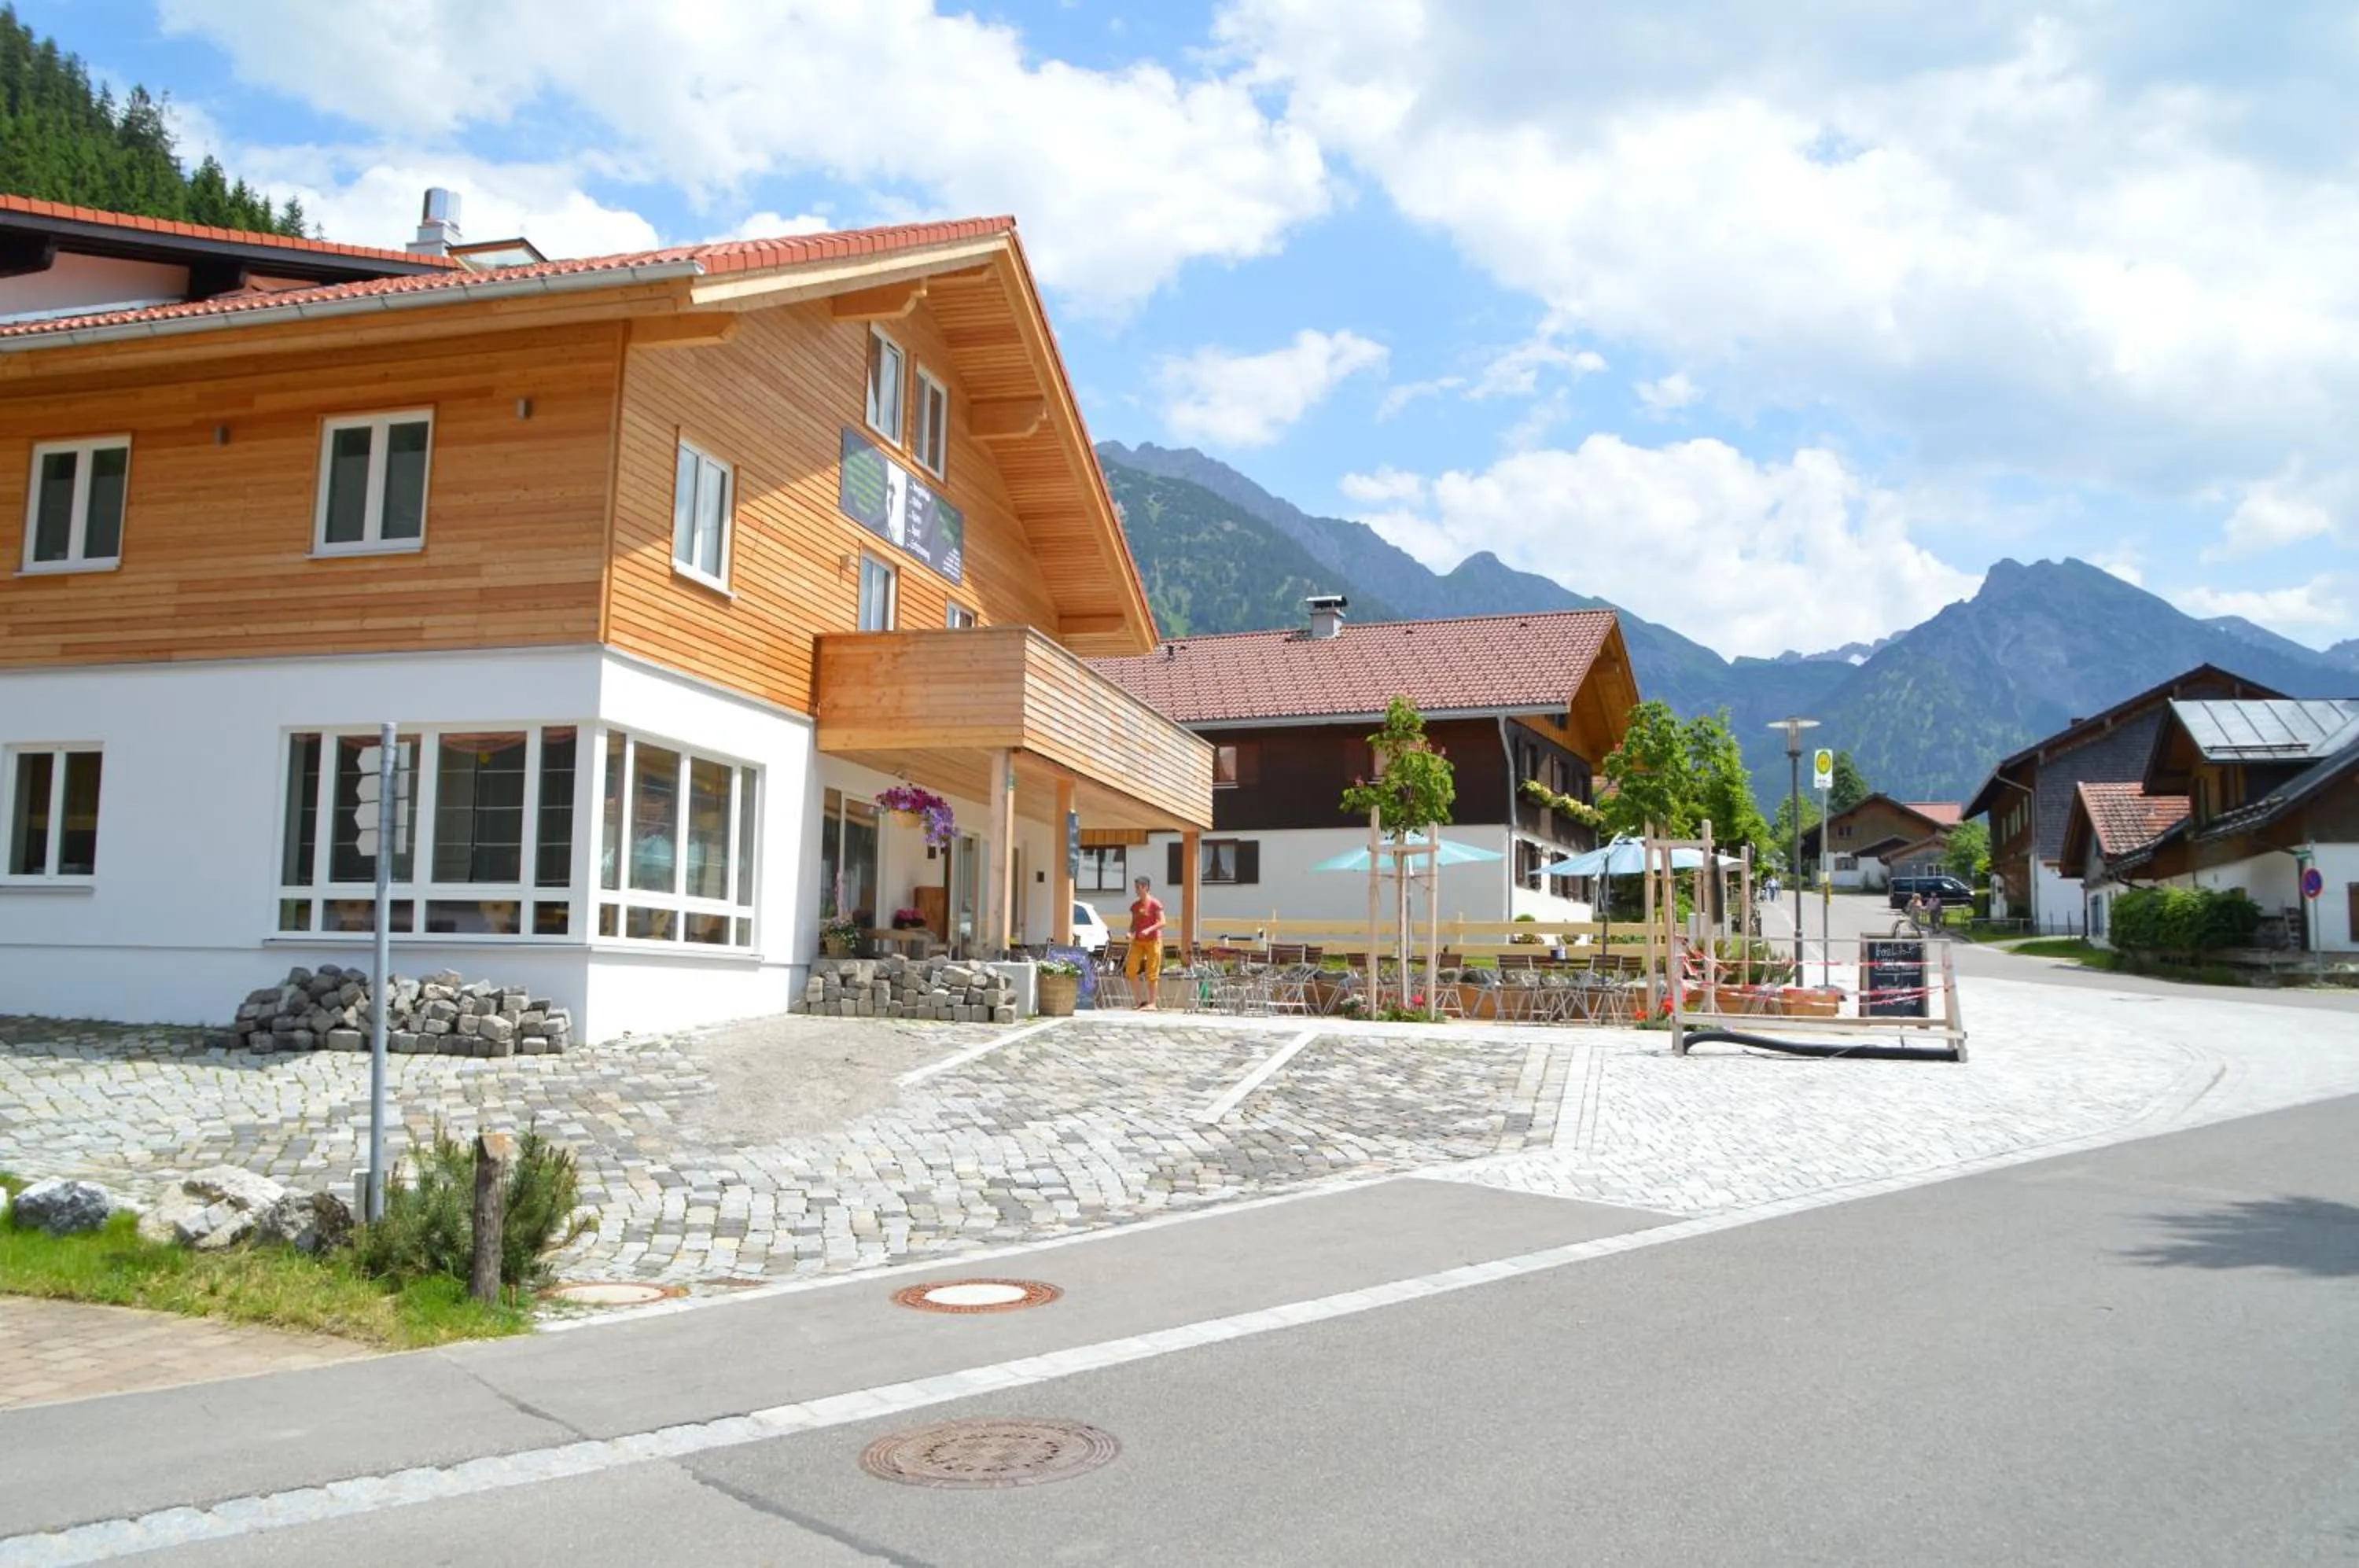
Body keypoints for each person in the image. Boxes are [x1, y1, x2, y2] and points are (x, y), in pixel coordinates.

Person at [1125, 874, 1166, 1009]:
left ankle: (1152, 1003)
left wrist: (1149, 930)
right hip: (1138, 941)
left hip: (1153, 940)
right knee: (1131, 969)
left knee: (1152, 971)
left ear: (1146, 887)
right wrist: (1130, 933)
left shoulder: (1155, 904)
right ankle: (1139, 1000)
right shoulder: (1135, 906)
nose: (1136, 890)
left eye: (1138, 887)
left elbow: (1162, 922)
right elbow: (1134, 923)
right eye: (1135, 887)